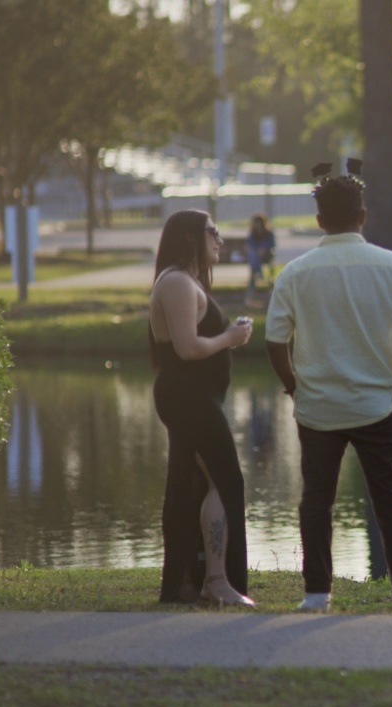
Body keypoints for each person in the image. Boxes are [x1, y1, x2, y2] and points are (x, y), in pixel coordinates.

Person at [265, 166, 392, 614]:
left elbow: (274, 341)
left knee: (316, 501)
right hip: (380, 405)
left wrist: (294, 388)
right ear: (362, 216)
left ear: (319, 220)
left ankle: (317, 593)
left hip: (318, 407)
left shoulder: (294, 273)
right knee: (391, 503)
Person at [148, 209, 256, 607]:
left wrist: (231, 335)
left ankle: (184, 583)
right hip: (187, 397)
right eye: (213, 231)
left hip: (194, 397)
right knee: (225, 482)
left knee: (188, 486)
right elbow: (187, 348)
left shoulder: (186, 281)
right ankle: (217, 580)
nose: (220, 239)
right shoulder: (176, 281)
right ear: (191, 237)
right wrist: (231, 338)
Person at [245, 212, 276, 299]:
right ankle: (259, 272)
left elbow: (272, 245)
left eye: (259, 223)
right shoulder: (253, 234)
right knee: (253, 255)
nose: (258, 225)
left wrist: (263, 249)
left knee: (253, 264)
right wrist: (257, 250)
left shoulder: (268, 233)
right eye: (256, 223)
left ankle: (250, 293)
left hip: (265, 256)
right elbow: (249, 245)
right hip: (255, 257)